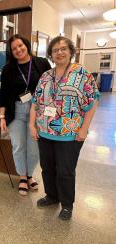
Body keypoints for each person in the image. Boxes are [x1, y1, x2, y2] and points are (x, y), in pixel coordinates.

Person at [29, 36, 100, 220]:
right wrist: (32, 125)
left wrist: (84, 128)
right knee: (47, 167)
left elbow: (93, 102)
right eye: (55, 50)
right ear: (51, 54)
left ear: (70, 51)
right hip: (45, 131)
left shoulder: (82, 73)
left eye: (63, 49)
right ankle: (52, 196)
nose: (59, 52)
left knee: (65, 170)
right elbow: (35, 102)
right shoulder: (46, 75)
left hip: (70, 133)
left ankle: (67, 204)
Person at [0, 34, 51, 196]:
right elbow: (3, 94)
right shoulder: (8, 69)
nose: (18, 50)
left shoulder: (42, 63)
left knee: (34, 146)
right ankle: (22, 176)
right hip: (16, 110)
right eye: (14, 48)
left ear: (26, 45)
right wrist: (1, 117)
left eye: (20, 46)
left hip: (38, 110)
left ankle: (30, 175)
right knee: (19, 145)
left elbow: (52, 86)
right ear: (11, 52)